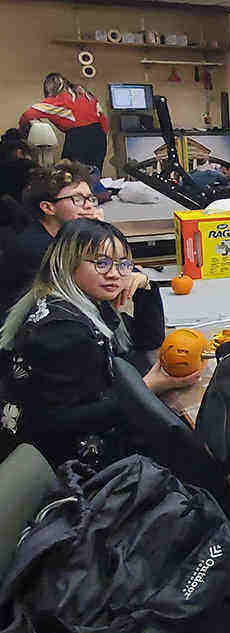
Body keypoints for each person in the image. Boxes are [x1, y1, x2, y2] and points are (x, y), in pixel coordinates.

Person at [0, 218, 198, 470]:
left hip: (69, 441)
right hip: (68, 464)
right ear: (67, 262)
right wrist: (144, 389)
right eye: (101, 263)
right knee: (191, 449)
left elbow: (147, 340)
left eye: (123, 264)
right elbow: (59, 422)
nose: (115, 273)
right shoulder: (63, 331)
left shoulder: (79, 300)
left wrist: (145, 287)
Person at [0, 160, 102, 314]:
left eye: (90, 198)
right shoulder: (37, 248)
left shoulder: (63, 237)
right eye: (78, 199)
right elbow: (94, 287)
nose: (88, 206)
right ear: (48, 207)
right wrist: (98, 234)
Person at [19, 73, 109, 171]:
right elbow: (103, 121)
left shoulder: (59, 99)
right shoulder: (88, 96)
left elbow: (28, 114)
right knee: (94, 172)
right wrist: (100, 136)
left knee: (70, 173)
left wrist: (23, 132)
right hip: (99, 136)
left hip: (79, 137)